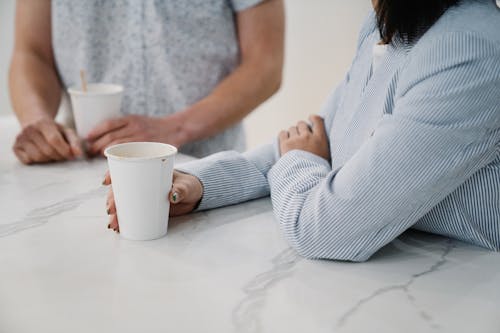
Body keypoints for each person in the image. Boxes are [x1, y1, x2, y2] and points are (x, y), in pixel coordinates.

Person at [105, 0, 500, 261]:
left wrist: (301, 158)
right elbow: (314, 140)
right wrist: (194, 185)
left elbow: (326, 228)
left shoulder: (465, 49)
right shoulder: (385, 25)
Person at [10, 0, 284, 164]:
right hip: (80, 164)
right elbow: (32, 53)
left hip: (202, 169)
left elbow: (265, 64)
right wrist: (37, 122)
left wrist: (176, 128)